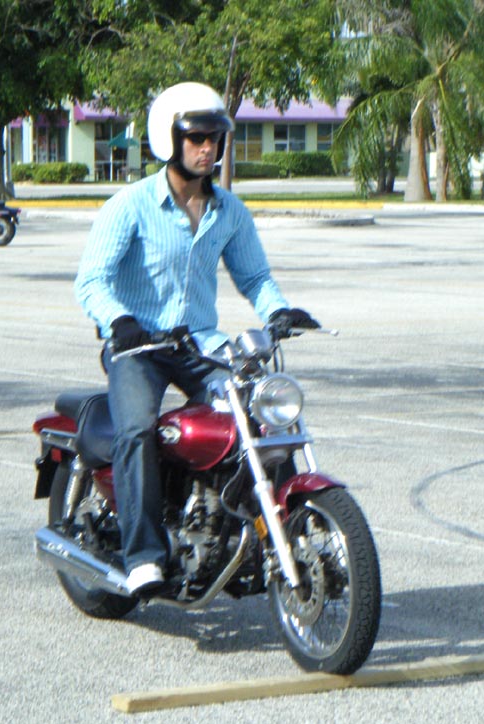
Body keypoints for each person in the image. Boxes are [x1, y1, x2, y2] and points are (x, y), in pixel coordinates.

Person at [74, 81, 319, 597]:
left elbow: (255, 277)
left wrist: (278, 310)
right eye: (196, 138)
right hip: (140, 347)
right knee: (137, 429)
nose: (208, 148)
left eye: (215, 138)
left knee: (261, 418)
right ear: (169, 140)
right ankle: (144, 555)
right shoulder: (131, 205)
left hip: (202, 346)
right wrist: (119, 321)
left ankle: (274, 534)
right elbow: (92, 281)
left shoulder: (229, 211)